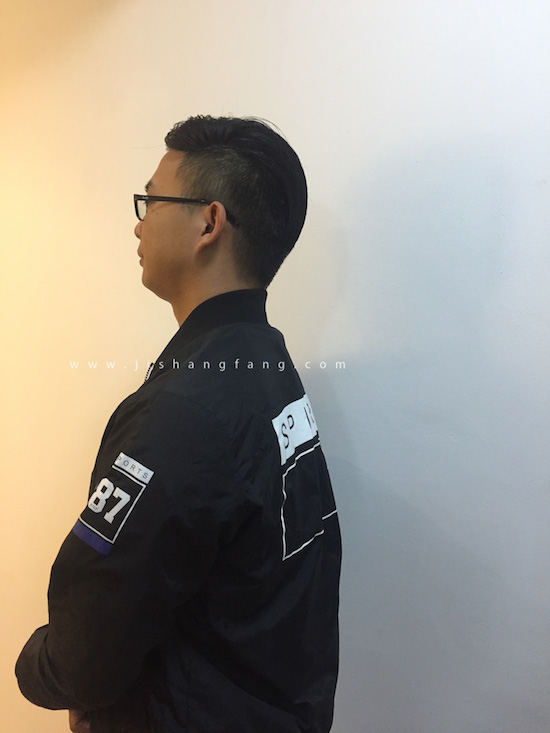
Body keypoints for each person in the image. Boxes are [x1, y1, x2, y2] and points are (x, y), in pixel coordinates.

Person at [16, 115, 341, 732]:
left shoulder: (186, 410)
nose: (139, 223)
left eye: (151, 201)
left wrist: (36, 667)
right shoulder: (267, 363)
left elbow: (85, 653)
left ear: (208, 223)